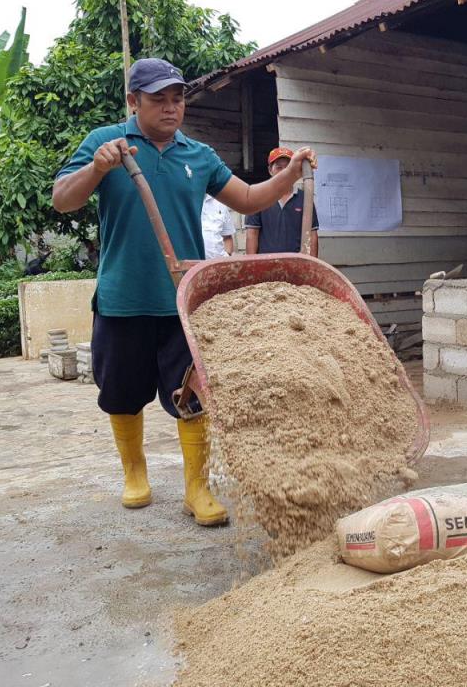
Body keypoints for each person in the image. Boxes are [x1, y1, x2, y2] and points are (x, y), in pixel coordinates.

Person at [52, 57, 314, 527]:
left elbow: (250, 198)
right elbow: (62, 199)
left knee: (192, 395)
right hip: (123, 297)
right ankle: (135, 474)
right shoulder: (106, 144)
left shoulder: (199, 155)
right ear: (133, 102)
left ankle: (197, 488)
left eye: (178, 99)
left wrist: (290, 174)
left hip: (183, 302)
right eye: (159, 100)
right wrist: (95, 168)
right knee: (121, 393)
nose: (171, 109)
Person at [246, 147, 320, 256]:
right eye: (278, 167)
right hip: (266, 265)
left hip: (296, 264)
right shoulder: (260, 197)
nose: (283, 172)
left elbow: (312, 236)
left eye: (287, 167)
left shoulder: (305, 199)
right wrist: (251, 266)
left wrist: (312, 267)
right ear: (270, 170)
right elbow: (252, 234)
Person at [201, 192, 235, 259]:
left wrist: (227, 256)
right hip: (192, 266)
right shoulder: (182, 203)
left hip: (218, 265)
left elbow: (227, 237)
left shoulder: (220, 203)